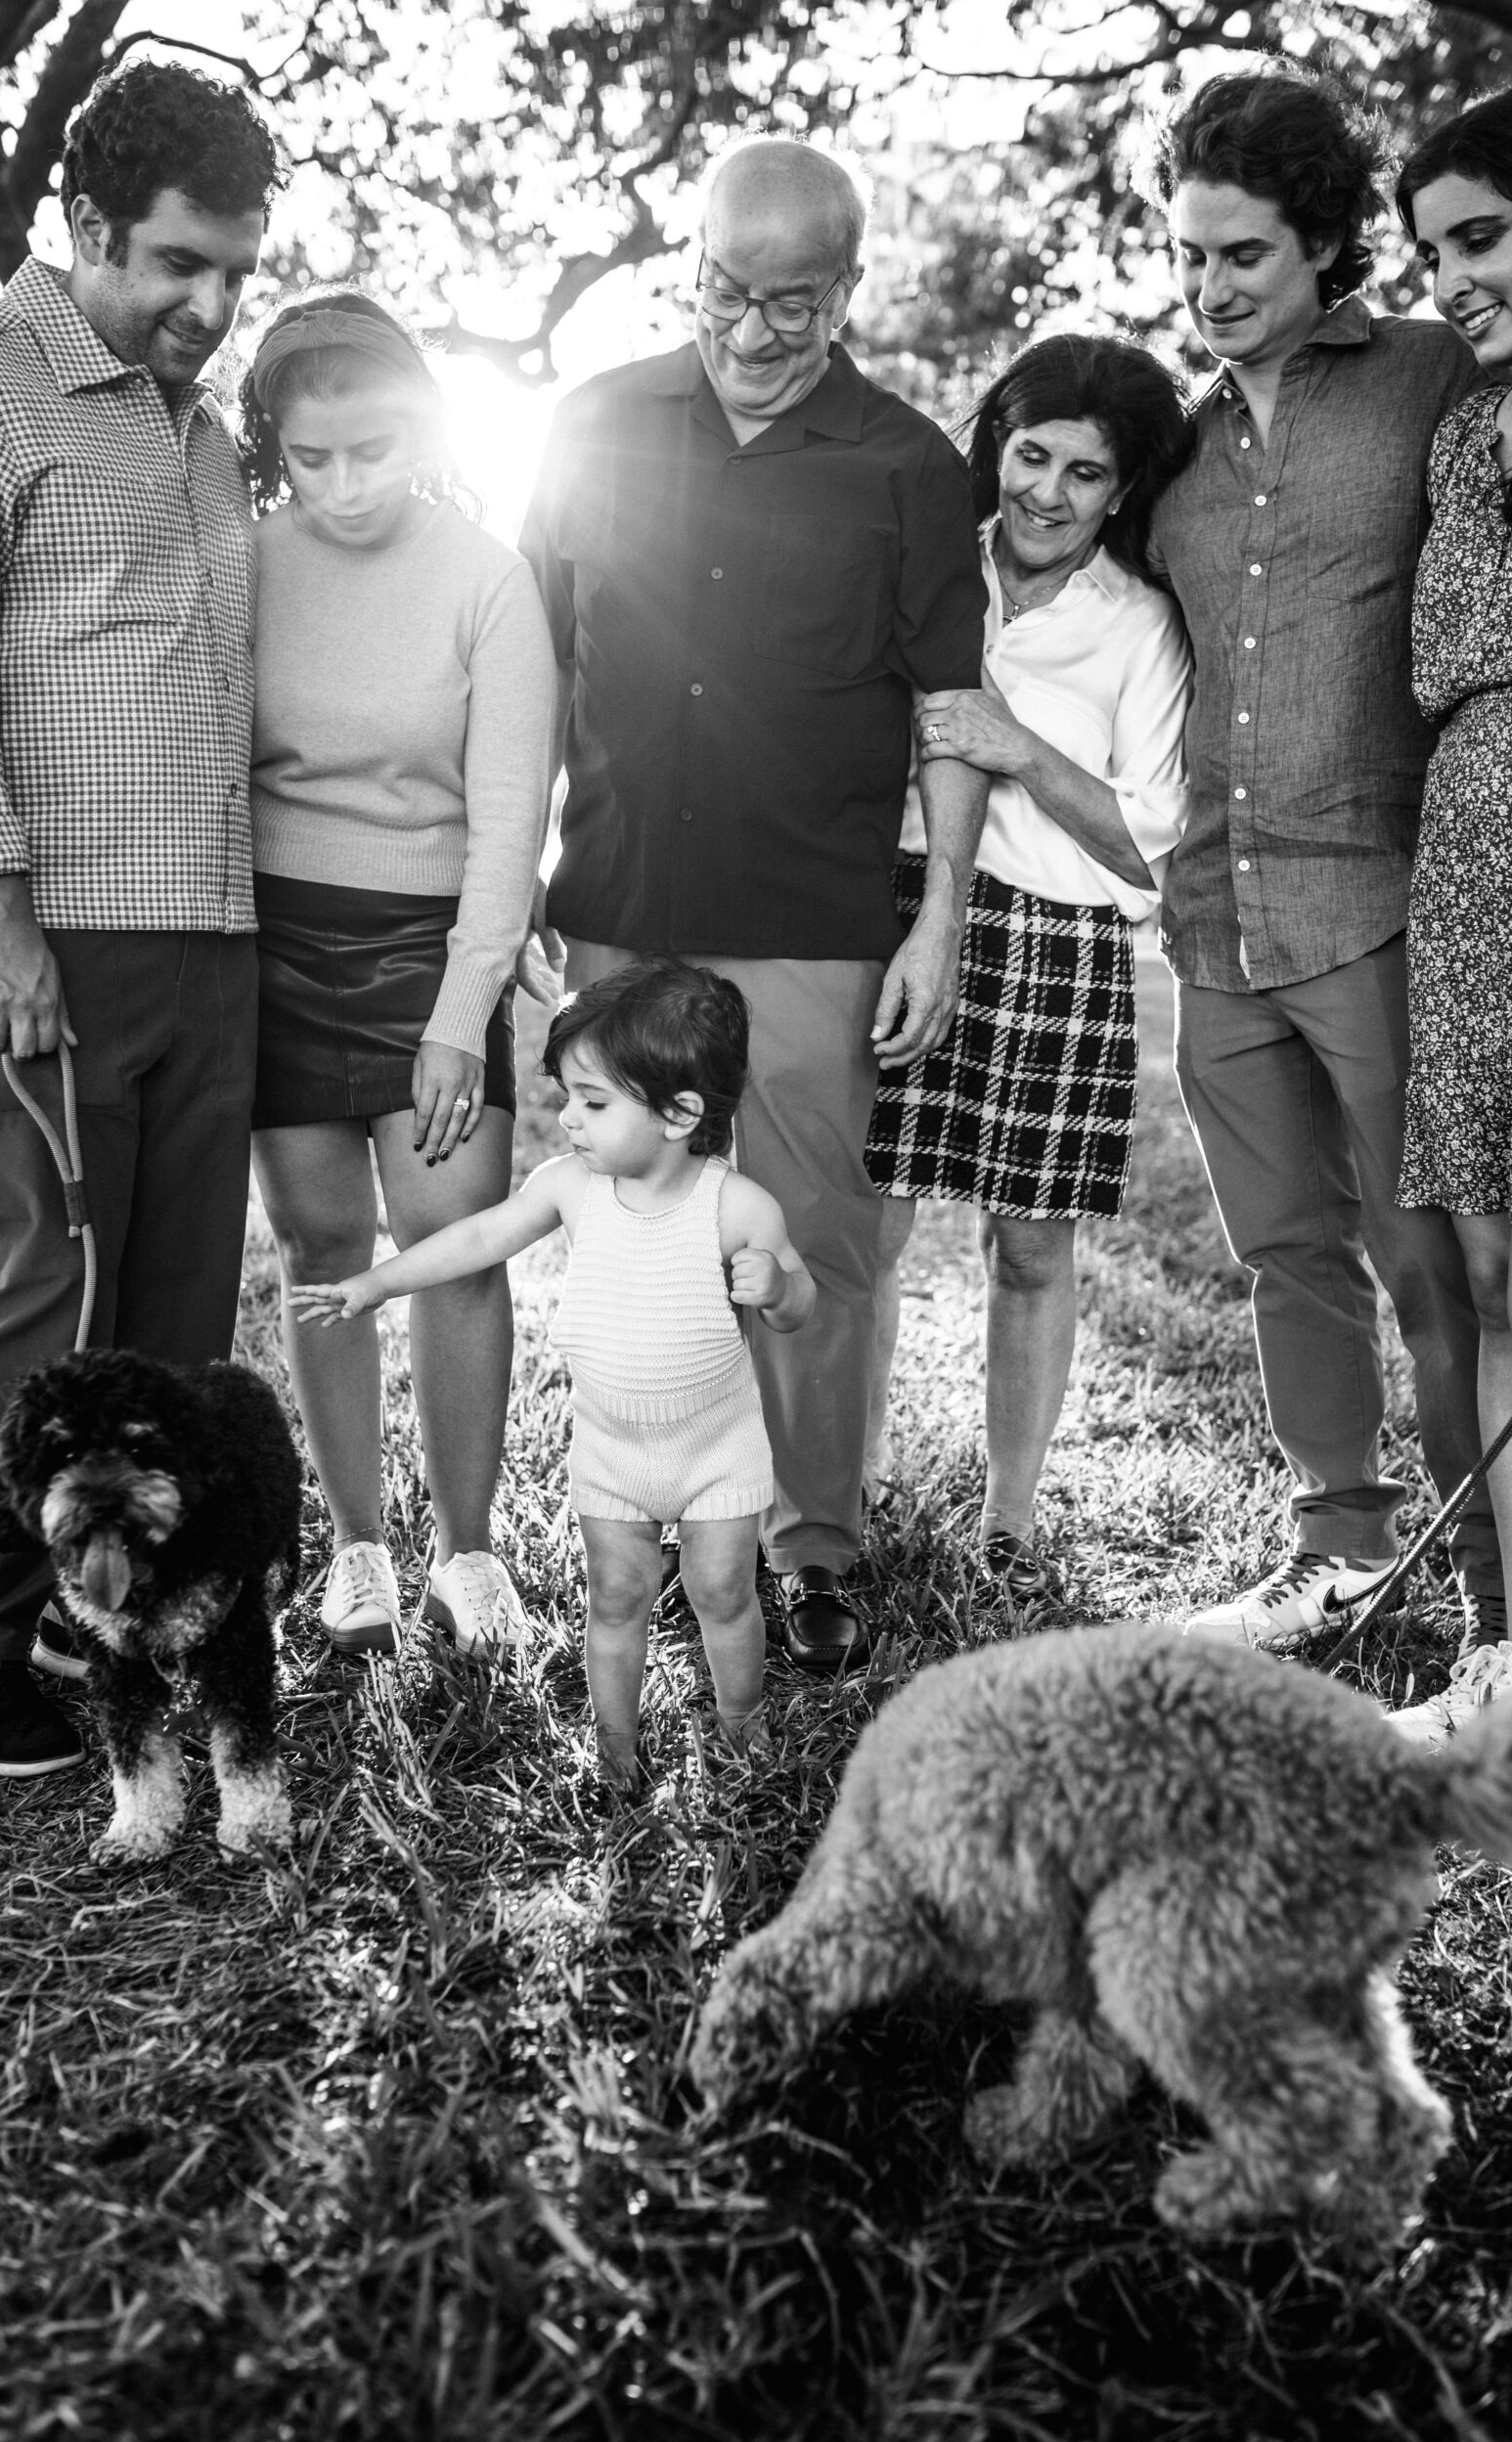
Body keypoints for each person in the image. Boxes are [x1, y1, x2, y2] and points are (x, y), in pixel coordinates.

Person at [519, 138, 989, 1674]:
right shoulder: (590, 424)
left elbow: (947, 712)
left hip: (810, 913)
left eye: (793, 302)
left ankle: (810, 1543)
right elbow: (529, 671)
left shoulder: (909, 467)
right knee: (633, 1232)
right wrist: (518, 861)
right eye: (727, 290)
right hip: (621, 896)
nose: (754, 329)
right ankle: (655, 1529)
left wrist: (934, 926)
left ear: (846, 289)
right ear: (692, 268)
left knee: (812, 1240)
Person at [0, 64, 283, 1779]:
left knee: (166, 1316)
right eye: (176, 266)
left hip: (210, 934)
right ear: (82, 232)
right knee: (32, 1290)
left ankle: (102, 1609)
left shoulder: (199, 427)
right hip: (46, 927)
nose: (208, 307)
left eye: (235, 272)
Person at [1142, 67, 1505, 1661]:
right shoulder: (1174, 452)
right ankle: (1338, 1551)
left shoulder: (1429, 376)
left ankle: (1504, 1580)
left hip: (1378, 908)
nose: (1208, 290)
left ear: (1324, 245)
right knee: (1282, 1253)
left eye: (1241, 257)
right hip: (1213, 920)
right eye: (1187, 257)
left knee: (1434, 1265)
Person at [240, 295, 558, 1662]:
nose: (345, 482)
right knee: (322, 1250)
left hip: (437, 942)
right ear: (278, 452)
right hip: (279, 943)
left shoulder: (487, 577)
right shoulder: (244, 562)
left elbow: (509, 822)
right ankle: (359, 1551)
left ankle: (467, 1554)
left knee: (449, 1251)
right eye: (313, 457)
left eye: (371, 448)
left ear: (422, 424)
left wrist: (456, 1014)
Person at [290, 962, 815, 1792]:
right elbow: (476, 1240)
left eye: (593, 1103)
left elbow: (798, 1303)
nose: (566, 1118)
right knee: (614, 1597)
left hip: (717, 1447)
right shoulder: (571, 1187)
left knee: (721, 1594)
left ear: (680, 1114)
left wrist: (778, 1289)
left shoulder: (738, 1207)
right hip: (611, 1451)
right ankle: (614, 1755)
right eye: (566, 1095)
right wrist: (378, 1282)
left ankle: (740, 1728)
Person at [864, 335, 1192, 1591]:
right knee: (866, 1221)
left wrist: (1014, 747)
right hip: (901, 910)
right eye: (1031, 454)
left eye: (1087, 473)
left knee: (1030, 1246)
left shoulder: (1135, 628)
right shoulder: (928, 570)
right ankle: (855, 1469)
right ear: (994, 446)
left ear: (1122, 491)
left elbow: (1150, 843)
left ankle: (1008, 1512)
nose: (1048, 492)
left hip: (1059, 942)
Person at [1385, 83, 1512, 1742]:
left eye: (1479, 239)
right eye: (1427, 252)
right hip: (1462, 870)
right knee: (1475, 1264)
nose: (1448, 278)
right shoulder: (1459, 439)